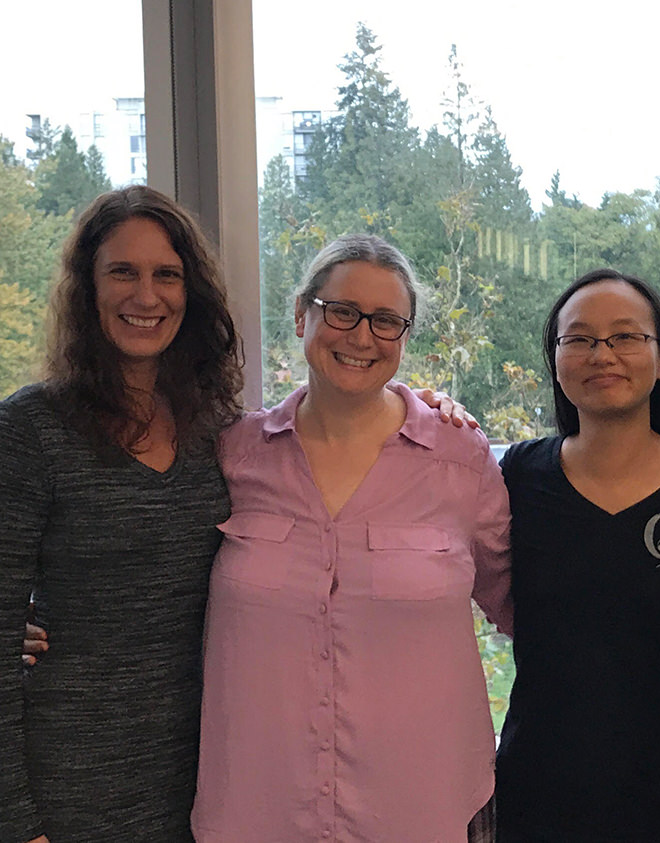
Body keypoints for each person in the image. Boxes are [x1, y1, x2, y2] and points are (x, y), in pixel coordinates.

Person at [191, 234, 512, 842]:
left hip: (422, 813)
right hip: (258, 814)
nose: (362, 336)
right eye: (342, 311)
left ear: (404, 336)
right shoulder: (232, 454)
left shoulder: (459, 459)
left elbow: (526, 604)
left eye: (386, 321)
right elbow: (154, 563)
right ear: (301, 313)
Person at [0, 185, 242, 843]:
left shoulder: (219, 429)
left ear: (190, 291)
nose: (146, 296)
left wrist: (416, 404)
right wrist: (18, 822)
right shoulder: (29, 429)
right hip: (71, 792)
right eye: (123, 271)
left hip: (209, 783)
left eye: (166, 274)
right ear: (87, 288)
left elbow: (317, 439)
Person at [492, 270, 660, 842]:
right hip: (539, 790)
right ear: (556, 358)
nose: (602, 354)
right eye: (580, 339)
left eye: (624, 337)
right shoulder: (515, 476)